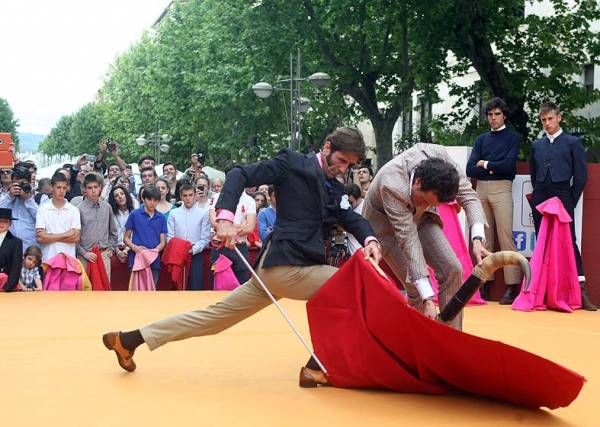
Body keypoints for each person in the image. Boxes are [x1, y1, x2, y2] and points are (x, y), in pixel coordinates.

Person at [102, 127, 382, 388]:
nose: (343, 169)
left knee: (213, 318)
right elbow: (239, 174)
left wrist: (369, 238)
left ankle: (129, 339)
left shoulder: (336, 184)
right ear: (327, 146)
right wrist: (224, 217)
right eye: (341, 160)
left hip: (278, 269)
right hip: (287, 267)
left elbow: (345, 216)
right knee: (354, 285)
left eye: (349, 165)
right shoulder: (292, 162)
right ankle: (315, 367)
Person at [363, 143, 488, 331]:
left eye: (432, 203)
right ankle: (421, 342)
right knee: (416, 288)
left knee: (453, 268)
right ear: (418, 182)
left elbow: (469, 197)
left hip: (422, 219)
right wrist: (428, 298)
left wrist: (477, 239)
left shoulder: (441, 159)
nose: (424, 204)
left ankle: (450, 338)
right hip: (386, 227)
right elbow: (409, 242)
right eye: (424, 200)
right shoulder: (392, 184)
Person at [530, 102, 596, 311]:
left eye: (550, 118)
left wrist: (570, 200)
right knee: (542, 241)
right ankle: (539, 292)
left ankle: (581, 291)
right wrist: (539, 194)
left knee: (569, 241)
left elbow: (581, 176)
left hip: (563, 195)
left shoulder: (573, 142)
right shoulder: (537, 145)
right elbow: (533, 174)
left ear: (559, 117)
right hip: (541, 195)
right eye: (543, 120)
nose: (547, 123)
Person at [466, 97, 523, 304]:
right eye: (490, 115)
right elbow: (469, 169)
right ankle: (485, 282)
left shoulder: (513, 138)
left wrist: (486, 163)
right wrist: (490, 166)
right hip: (480, 189)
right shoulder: (481, 139)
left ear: (504, 115)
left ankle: (512, 285)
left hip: (502, 188)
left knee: (505, 236)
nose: (493, 118)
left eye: (497, 114)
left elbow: (509, 168)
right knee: (483, 238)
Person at [208, 185, 256, 284]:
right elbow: (214, 222)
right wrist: (239, 226)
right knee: (219, 282)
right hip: (220, 246)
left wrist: (228, 228)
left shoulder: (249, 200)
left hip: (240, 246)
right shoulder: (216, 197)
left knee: (242, 283)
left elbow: (250, 228)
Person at [167, 183, 211, 290]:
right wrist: (179, 250)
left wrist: (192, 250)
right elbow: (170, 236)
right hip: (177, 254)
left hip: (196, 253)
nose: (188, 198)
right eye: (185, 195)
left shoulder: (203, 213)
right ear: (181, 196)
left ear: (195, 195)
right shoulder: (173, 213)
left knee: (196, 285)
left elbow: (205, 238)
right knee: (177, 285)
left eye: (190, 195)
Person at [123, 185, 167, 287]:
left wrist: (155, 251)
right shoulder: (134, 214)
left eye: (155, 200)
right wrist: (135, 248)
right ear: (143, 199)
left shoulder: (161, 218)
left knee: (152, 290)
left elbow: (163, 242)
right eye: (149, 199)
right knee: (136, 290)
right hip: (137, 258)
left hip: (154, 260)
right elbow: (126, 238)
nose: (152, 203)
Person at [77, 173, 118, 280]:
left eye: (96, 187)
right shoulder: (79, 209)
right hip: (86, 256)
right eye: (90, 188)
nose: (93, 190)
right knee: (86, 289)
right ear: (85, 189)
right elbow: (75, 237)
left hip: (104, 254)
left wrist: (111, 248)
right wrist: (84, 253)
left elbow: (113, 231)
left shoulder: (107, 207)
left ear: (100, 187)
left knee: (104, 289)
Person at [35, 172, 81, 262]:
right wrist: (67, 234)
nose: (61, 191)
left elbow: (76, 238)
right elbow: (40, 238)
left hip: (68, 260)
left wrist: (49, 236)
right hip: (48, 259)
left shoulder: (74, 210)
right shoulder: (42, 209)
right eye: (58, 187)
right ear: (52, 188)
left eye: (64, 188)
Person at [0, 163, 38, 252]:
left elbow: (41, 219)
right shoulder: (6, 198)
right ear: (12, 183)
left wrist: (28, 200)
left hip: (29, 251)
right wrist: (9, 196)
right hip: (9, 251)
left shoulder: (38, 198)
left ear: (29, 183)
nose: (19, 187)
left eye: (22, 183)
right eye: (16, 184)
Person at [108, 185, 136, 264]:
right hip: (114, 250)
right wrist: (118, 252)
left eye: (122, 194)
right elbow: (109, 235)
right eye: (116, 196)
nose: (120, 196)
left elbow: (136, 234)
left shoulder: (134, 213)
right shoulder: (111, 215)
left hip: (131, 249)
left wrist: (126, 250)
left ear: (126, 195)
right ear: (114, 200)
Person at [0, 208, 23, 292]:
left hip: (5, 285)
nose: (1, 224)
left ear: (10, 223)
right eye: (0, 221)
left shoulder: (16, 242)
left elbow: (16, 268)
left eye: (5, 221)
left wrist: (6, 288)